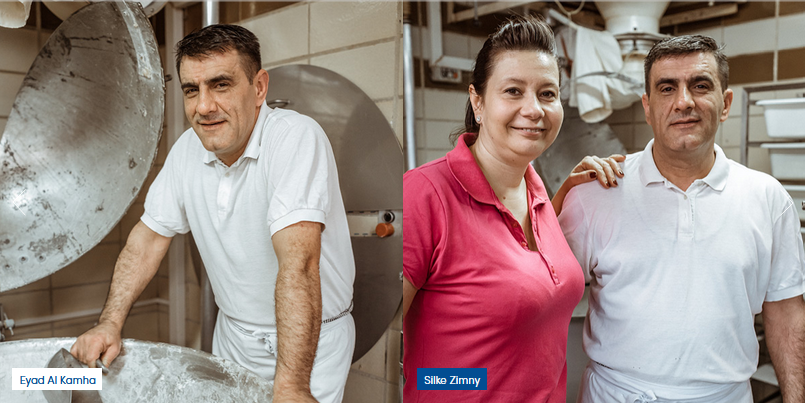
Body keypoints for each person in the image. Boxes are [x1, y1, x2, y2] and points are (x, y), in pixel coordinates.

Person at [71, 25, 356, 403]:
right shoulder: (188, 149)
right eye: (192, 89)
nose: (203, 106)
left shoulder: (295, 138)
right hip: (233, 338)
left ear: (258, 88)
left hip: (310, 346)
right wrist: (110, 321)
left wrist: (291, 387)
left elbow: (299, 264)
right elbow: (147, 240)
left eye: (220, 85)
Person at [558, 35, 805, 403]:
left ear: (726, 104)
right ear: (647, 106)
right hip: (617, 395)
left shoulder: (768, 199)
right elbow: (544, 293)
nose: (683, 102)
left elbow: (786, 312)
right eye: (667, 88)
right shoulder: (597, 193)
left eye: (700, 85)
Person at [402, 16, 623, 402]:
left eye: (548, 94)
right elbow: (388, 350)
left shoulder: (536, 190)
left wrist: (569, 190)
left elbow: (515, 266)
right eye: (513, 91)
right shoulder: (426, 194)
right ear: (478, 102)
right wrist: (468, 383)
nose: (534, 109)